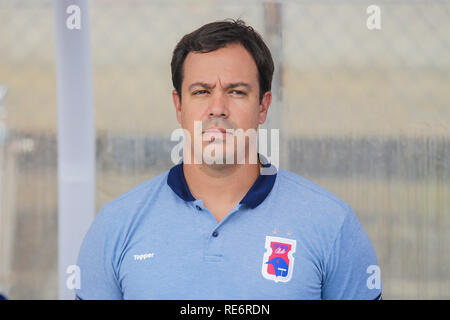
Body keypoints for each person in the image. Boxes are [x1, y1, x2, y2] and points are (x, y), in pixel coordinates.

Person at [75, 19, 382, 300]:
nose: (217, 108)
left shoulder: (332, 223)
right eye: (201, 92)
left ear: (263, 106)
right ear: (178, 106)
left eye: (236, 92)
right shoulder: (115, 226)